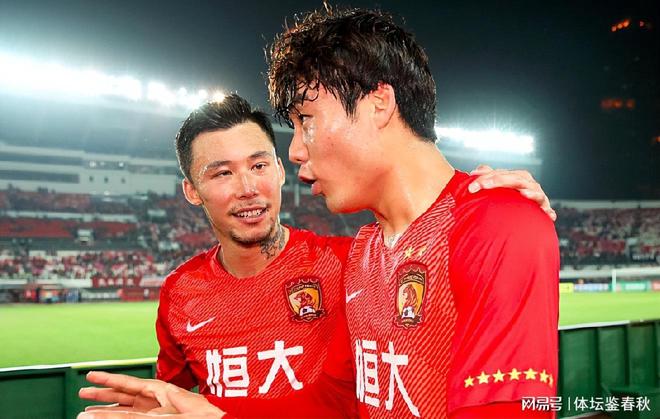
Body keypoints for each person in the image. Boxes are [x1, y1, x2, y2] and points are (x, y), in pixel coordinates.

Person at [78, 9, 558, 416]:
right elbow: (335, 399)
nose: (296, 152)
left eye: (306, 121)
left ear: (378, 104)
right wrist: (213, 413)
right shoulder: (366, 251)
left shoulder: (497, 222)